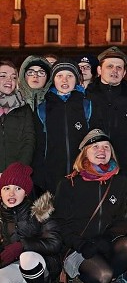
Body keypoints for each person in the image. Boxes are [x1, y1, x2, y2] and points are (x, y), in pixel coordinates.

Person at [53, 129, 127, 283]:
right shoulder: (68, 184)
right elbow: (59, 223)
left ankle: (96, 282)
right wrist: (80, 243)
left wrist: (107, 238)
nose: (102, 151)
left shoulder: (120, 182)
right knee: (103, 276)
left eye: (106, 147)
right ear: (84, 151)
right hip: (78, 248)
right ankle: (84, 278)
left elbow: (126, 218)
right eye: (95, 147)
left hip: (104, 244)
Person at [0, 163, 62, 283]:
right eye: (6, 188)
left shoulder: (41, 210)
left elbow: (55, 243)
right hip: (13, 266)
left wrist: (21, 245)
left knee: (27, 257)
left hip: (42, 266)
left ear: (26, 192)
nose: (11, 194)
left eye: (18, 188)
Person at [86, 46, 127, 175]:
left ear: (124, 73)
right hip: (93, 171)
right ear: (99, 70)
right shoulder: (86, 99)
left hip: (126, 173)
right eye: (110, 66)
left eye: (119, 67)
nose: (114, 71)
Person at [33, 62, 89, 195]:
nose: (64, 80)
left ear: (76, 79)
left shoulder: (87, 105)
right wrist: (40, 177)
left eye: (69, 75)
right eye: (59, 76)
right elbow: (39, 145)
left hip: (82, 174)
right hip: (52, 176)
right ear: (53, 80)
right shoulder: (43, 109)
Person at [0, 60, 35, 172]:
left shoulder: (24, 108)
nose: (9, 80)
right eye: (3, 76)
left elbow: (29, 142)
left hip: (15, 176)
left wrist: (18, 171)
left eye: (13, 77)